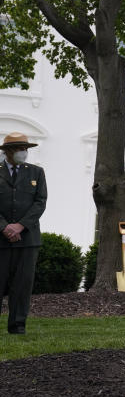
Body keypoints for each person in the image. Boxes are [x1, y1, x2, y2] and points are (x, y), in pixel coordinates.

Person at [0, 132, 47, 335]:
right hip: (0, 239)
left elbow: (40, 202)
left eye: (26, 148)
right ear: (9, 151)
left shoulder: (36, 172)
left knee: (22, 284)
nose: (24, 152)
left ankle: (18, 325)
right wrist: (5, 227)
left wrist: (20, 226)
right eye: (20, 149)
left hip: (28, 239)